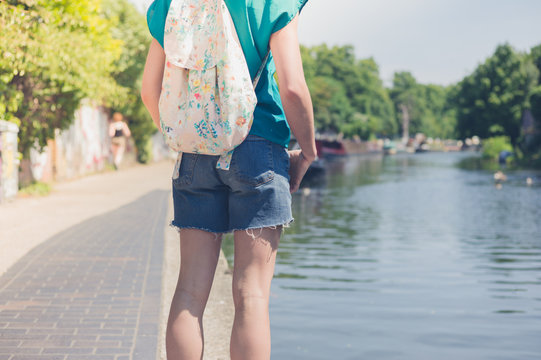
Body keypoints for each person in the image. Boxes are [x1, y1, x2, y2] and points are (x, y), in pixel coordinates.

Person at [141, 0, 317, 359]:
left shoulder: (170, 4)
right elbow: (293, 87)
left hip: (194, 154)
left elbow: (150, 91)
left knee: (189, 291)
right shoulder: (273, 3)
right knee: (251, 294)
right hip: (258, 146)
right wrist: (309, 153)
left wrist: (190, 136)